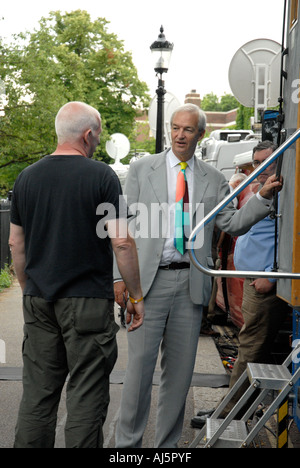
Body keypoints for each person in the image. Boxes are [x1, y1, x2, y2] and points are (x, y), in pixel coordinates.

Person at [113, 104, 282, 448]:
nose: (179, 135)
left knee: (178, 379)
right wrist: (120, 279)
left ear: (200, 134)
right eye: (175, 128)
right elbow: (121, 226)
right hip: (147, 285)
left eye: (188, 130)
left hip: (190, 286)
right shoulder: (141, 169)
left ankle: (167, 449)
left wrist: (262, 198)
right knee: (138, 375)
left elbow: (231, 223)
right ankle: (126, 448)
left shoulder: (213, 178)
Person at [9, 101, 144, 448]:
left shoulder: (26, 178)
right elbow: (122, 243)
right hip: (86, 303)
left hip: (39, 300)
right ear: (88, 135)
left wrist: (29, 288)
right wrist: (136, 295)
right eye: (97, 135)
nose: (98, 142)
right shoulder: (101, 176)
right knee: (86, 397)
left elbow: (15, 244)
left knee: (37, 396)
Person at [221, 140, 290, 416]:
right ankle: (239, 408)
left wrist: (273, 277)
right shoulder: (264, 190)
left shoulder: (286, 194)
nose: (260, 169)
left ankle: (229, 413)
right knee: (249, 345)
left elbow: (290, 241)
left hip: (265, 284)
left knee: (250, 348)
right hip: (252, 280)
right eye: (257, 163)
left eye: (267, 162)